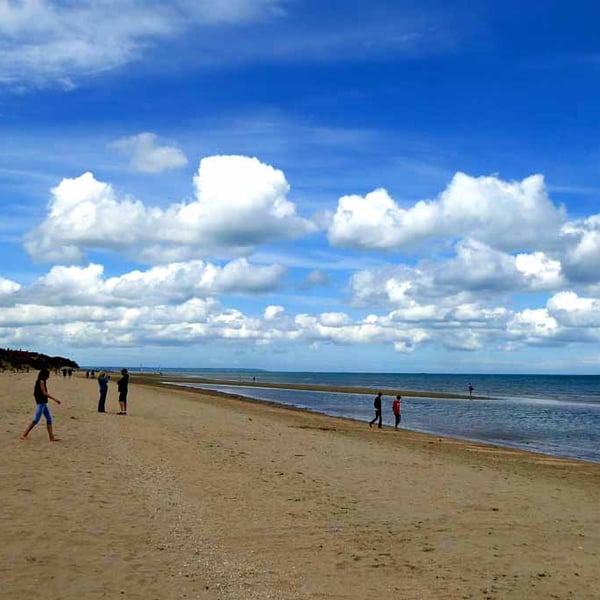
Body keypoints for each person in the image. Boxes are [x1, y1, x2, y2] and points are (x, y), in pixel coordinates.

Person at [21, 368, 61, 441]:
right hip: (41, 402)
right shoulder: (41, 381)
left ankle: (51, 437)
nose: (48, 376)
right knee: (36, 419)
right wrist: (55, 399)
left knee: (49, 419)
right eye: (48, 375)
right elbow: (44, 393)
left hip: (43, 402)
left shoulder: (42, 381)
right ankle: (24, 435)